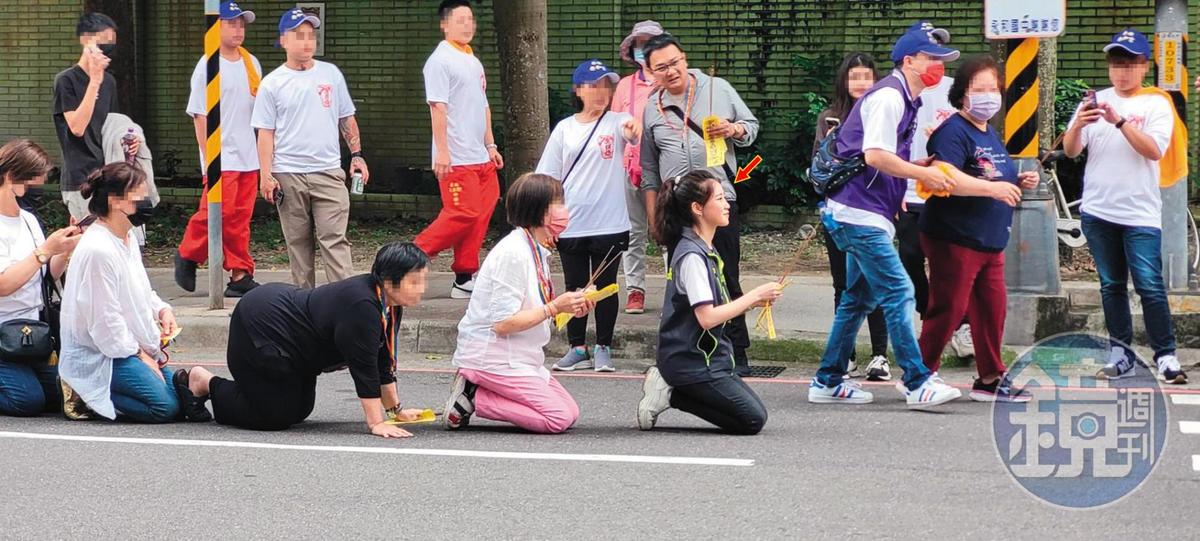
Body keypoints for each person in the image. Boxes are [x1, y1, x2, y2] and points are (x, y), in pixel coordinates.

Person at [807, 24, 963, 410]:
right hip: (858, 213)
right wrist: (924, 174)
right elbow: (875, 156)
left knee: (857, 299)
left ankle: (827, 380)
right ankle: (917, 380)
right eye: (932, 58)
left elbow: (876, 154)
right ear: (909, 61)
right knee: (899, 291)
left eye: (942, 59)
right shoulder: (890, 98)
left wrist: (916, 165)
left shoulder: (905, 96)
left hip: (862, 211)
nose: (939, 65)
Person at [175, 243, 431, 436]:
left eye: (423, 280)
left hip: (297, 346)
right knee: (273, 418)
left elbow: (382, 360)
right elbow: (365, 369)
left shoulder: (389, 304)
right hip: (261, 327)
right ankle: (206, 382)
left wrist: (396, 412)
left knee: (299, 411)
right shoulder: (362, 306)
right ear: (389, 281)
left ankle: (253, 393)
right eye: (415, 281)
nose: (422, 288)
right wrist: (376, 423)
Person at [1064, 28, 1187, 384]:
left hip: (1140, 213)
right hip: (1098, 211)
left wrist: (1118, 121)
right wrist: (1078, 125)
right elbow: (1072, 151)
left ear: (1145, 66)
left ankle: (1166, 356)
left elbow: (1153, 150)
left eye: (1131, 64)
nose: (1123, 72)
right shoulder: (1093, 101)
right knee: (1111, 285)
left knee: (1149, 285)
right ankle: (1120, 354)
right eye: (1117, 64)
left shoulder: (1155, 103)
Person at [918, 55, 1038, 402]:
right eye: (979, 89)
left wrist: (1017, 180)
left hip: (990, 238)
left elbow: (990, 172)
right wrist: (994, 189)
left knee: (992, 308)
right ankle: (920, 373)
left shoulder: (988, 131)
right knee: (950, 307)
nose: (988, 95)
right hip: (955, 235)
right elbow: (945, 177)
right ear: (962, 94)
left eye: (992, 88)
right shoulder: (952, 131)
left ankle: (990, 377)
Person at [639, 34, 759, 376]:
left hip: (718, 199)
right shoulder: (651, 107)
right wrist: (653, 214)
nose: (671, 71)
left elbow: (751, 128)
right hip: (675, 205)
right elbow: (649, 167)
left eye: (675, 62)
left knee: (725, 276)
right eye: (661, 67)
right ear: (649, 71)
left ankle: (737, 353)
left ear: (684, 57)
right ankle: (683, 352)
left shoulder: (717, 88)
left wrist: (733, 129)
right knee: (682, 282)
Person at [442, 173, 595, 434]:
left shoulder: (533, 248)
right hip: (495, 358)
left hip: (522, 357)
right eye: (559, 203)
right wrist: (555, 307)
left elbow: (538, 308)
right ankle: (473, 396)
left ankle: (476, 393)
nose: (564, 210)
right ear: (541, 212)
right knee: (557, 418)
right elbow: (503, 324)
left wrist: (569, 307)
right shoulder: (513, 253)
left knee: (570, 411)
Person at [637, 171, 780, 434]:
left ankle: (674, 391)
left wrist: (754, 302)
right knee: (752, 419)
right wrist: (754, 296)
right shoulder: (692, 255)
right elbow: (707, 318)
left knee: (750, 415)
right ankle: (670, 393)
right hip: (689, 360)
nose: (727, 205)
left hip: (708, 358)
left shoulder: (704, 248)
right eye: (720, 198)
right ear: (697, 208)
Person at [253, 7, 368, 289]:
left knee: (335, 241)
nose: (306, 42)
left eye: (310, 36)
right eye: (298, 35)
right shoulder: (272, 83)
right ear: (284, 41)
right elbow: (265, 133)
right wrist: (265, 175)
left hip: (328, 172)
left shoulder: (331, 74)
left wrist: (356, 155)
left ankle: (344, 303)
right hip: (288, 173)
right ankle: (304, 310)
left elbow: (346, 118)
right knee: (298, 246)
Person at [537, 59, 640, 373]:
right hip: (572, 224)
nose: (600, 92)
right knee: (575, 287)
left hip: (611, 223)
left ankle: (603, 347)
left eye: (606, 85)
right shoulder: (565, 129)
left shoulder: (617, 121)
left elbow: (631, 133)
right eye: (593, 86)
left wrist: (633, 132)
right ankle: (577, 347)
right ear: (578, 89)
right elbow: (547, 176)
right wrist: (547, 219)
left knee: (605, 287)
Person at [58, 163, 181, 423]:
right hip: (102, 353)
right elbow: (105, 322)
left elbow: (141, 288)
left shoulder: (127, 237)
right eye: (140, 195)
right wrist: (141, 356)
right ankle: (84, 391)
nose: (147, 201)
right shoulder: (98, 250)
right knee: (164, 407)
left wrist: (162, 309)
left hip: (128, 345)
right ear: (116, 201)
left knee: (179, 394)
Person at [415, 0, 504, 299]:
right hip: (456, 157)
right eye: (460, 19)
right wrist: (442, 151)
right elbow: (437, 108)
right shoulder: (439, 61)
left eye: (471, 19)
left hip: (479, 155)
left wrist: (490, 144)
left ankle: (465, 276)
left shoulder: (472, 59)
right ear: (445, 24)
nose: (468, 24)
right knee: (462, 212)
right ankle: (410, 256)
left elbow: (483, 105)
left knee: (482, 210)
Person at [176, 1, 263, 298]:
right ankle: (188, 253)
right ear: (217, 27)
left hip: (248, 155)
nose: (238, 29)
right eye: (231, 23)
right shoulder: (208, 64)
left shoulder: (251, 63)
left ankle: (240, 274)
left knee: (240, 217)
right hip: (221, 156)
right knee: (216, 212)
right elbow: (199, 116)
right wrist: (209, 156)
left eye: (241, 24)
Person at [813, 52, 891, 381]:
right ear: (844, 81)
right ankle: (845, 355)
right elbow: (820, 165)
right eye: (854, 77)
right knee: (843, 284)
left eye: (867, 76)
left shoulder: (886, 110)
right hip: (839, 211)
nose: (861, 83)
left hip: (875, 209)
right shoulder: (830, 118)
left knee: (875, 281)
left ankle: (879, 356)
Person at [0, 140, 80, 417]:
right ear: (10, 177)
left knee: (60, 395)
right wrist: (45, 250)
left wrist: (63, 250)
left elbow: (45, 276)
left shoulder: (29, 220)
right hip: (3, 331)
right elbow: (4, 285)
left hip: (31, 332)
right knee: (26, 401)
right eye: (34, 182)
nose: (39, 190)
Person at [52, 12, 128, 221]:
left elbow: (111, 126)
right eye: (102, 43)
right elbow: (77, 127)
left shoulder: (109, 82)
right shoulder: (66, 81)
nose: (107, 51)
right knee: (87, 238)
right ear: (86, 40)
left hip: (106, 176)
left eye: (111, 45)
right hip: (80, 178)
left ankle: (59, 254)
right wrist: (94, 81)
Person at [612, 20, 664, 315]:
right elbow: (614, 127)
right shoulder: (623, 86)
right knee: (633, 232)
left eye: (650, 42)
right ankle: (635, 290)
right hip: (630, 167)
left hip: (665, 166)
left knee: (669, 228)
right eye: (640, 43)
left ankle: (678, 289)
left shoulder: (671, 83)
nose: (644, 48)